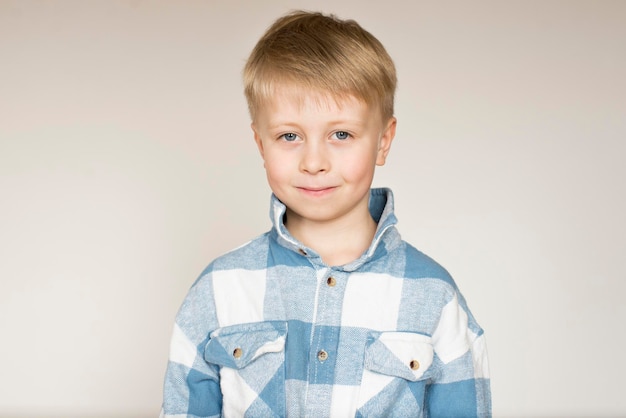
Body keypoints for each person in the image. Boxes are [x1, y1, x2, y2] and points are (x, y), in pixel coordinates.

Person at [161, 10, 491, 418]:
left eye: (341, 134)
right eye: (289, 135)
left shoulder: (435, 297)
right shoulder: (218, 289)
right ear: (260, 143)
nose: (314, 161)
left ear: (383, 141)